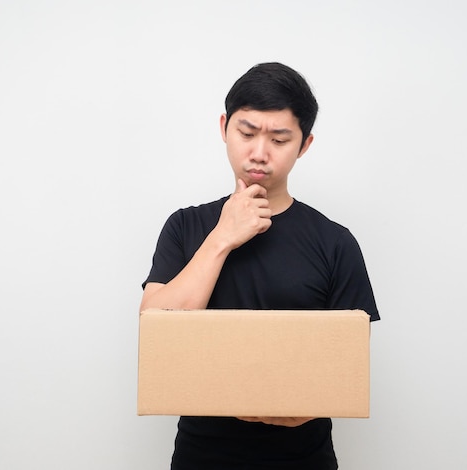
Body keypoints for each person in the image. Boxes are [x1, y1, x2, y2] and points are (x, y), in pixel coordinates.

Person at [140, 62, 379, 470]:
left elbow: (345, 366)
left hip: (303, 458)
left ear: (304, 145)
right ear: (224, 127)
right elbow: (155, 332)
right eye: (246, 133)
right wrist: (222, 237)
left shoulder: (335, 242)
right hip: (202, 457)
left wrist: (305, 407)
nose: (259, 153)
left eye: (280, 139)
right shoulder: (185, 227)